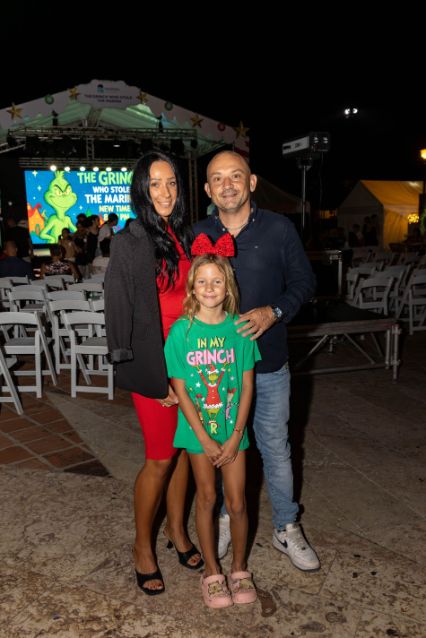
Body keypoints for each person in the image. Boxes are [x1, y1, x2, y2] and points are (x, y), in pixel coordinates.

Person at [193, 150, 320, 572]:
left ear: (251, 182)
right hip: (215, 371)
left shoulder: (280, 228)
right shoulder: (197, 234)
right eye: (217, 178)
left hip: (268, 364)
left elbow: (304, 282)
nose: (227, 184)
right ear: (208, 189)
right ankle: (227, 517)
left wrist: (274, 311)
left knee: (276, 448)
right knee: (224, 451)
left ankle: (286, 526)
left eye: (236, 176)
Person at [104, 151, 203, 596]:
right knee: (160, 458)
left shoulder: (185, 236)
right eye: (155, 184)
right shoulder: (129, 241)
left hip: (189, 363)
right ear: (141, 190)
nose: (165, 192)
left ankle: (177, 531)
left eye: (171, 183)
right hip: (155, 365)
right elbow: (117, 311)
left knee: (181, 453)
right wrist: (152, 377)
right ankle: (142, 546)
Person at [164, 235, 260, 608]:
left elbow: (247, 386)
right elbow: (181, 389)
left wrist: (236, 436)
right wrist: (204, 438)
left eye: (216, 281)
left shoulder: (240, 329)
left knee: (237, 502)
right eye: (202, 281)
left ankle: (239, 568)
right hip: (197, 434)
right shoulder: (182, 332)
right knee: (206, 497)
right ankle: (211, 571)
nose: (209, 288)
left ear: (228, 286)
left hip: (234, 432)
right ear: (192, 287)